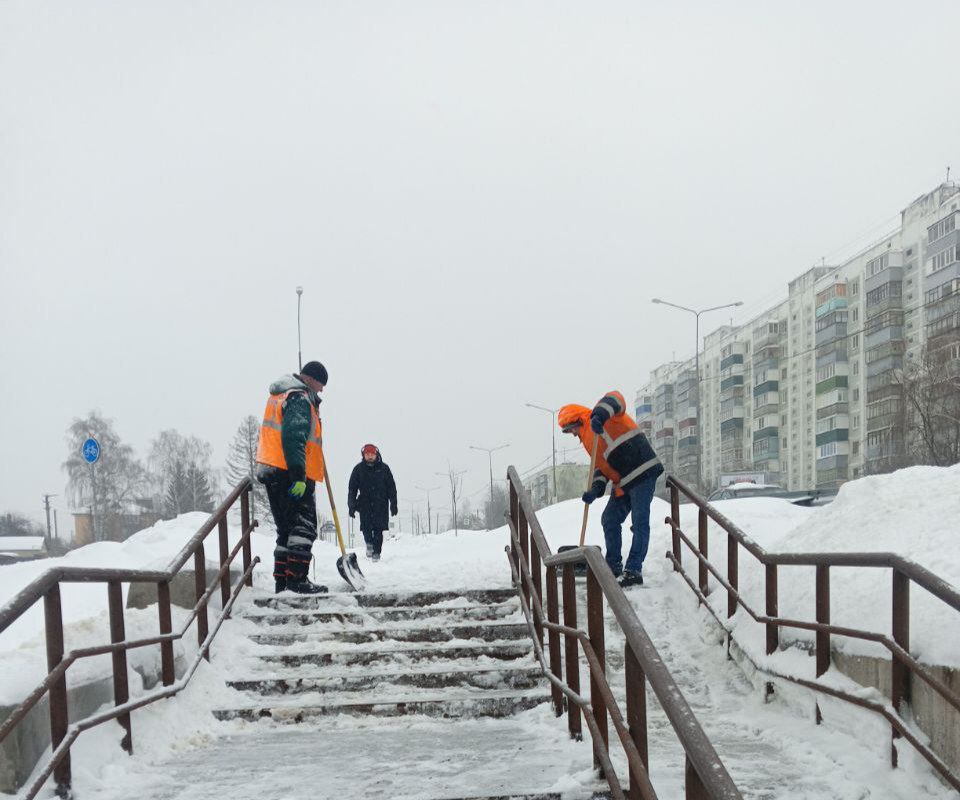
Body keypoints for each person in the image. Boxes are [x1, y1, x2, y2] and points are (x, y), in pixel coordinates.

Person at [558, 391, 663, 587]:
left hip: (642, 471)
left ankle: (633, 571)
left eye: (570, 429)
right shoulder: (589, 439)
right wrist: (595, 489)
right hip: (624, 482)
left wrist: (599, 415)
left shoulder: (604, 417)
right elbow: (602, 467)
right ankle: (613, 566)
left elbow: (616, 397)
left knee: (639, 522)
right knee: (609, 519)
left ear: (576, 421)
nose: (572, 434)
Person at [255, 360, 329, 594]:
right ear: (310, 379)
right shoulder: (299, 398)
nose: (322, 389)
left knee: (286, 530)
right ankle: (297, 581)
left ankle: (283, 583)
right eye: (320, 383)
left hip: (274, 470)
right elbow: (293, 437)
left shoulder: (282, 396)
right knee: (304, 527)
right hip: (291, 473)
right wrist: (299, 475)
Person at [347, 444, 397, 562]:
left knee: (378, 529)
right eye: (367, 454)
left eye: (372, 454)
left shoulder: (384, 469)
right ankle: (369, 543)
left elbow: (391, 487)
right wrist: (351, 505)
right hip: (365, 504)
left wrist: (393, 504)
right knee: (366, 527)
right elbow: (352, 489)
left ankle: (377, 553)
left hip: (381, 504)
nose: (369, 456)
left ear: (376, 454)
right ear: (363, 455)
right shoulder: (358, 469)